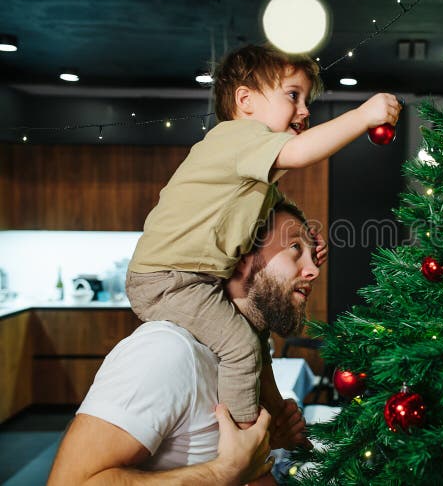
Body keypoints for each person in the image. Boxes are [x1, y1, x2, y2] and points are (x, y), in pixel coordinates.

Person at [125, 44, 402, 426]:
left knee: (255, 338)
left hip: (195, 279)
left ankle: (273, 417)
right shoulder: (236, 137)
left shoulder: (251, 167)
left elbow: (273, 216)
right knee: (240, 347)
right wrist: (362, 115)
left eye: (306, 99)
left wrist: (304, 242)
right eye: (293, 95)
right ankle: (243, 439)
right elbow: (303, 152)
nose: (305, 110)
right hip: (168, 280)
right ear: (245, 100)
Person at [48, 201, 320, 485]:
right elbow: (69, 481)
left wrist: (268, 441)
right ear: (240, 257)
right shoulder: (166, 351)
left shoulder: (246, 357)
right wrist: (221, 473)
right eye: (294, 249)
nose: (313, 269)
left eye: (312, 255)